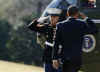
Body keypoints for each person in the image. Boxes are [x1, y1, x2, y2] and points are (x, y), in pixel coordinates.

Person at [52, 5, 98, 72]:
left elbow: (56, 43)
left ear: (67, 14)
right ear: (77, 14)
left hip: (65, 58)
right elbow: (95, 30)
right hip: (77, 58)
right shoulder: (82, 24)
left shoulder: (60, 25)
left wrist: (54, 58)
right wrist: (86, 18)